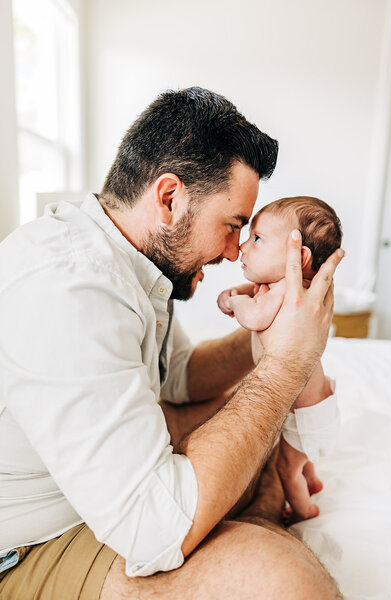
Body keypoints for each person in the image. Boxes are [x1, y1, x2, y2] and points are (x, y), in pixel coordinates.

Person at [0, 87, 344, 600]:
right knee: (284, 584)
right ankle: (260, 514)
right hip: (34, 539)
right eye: (232, 226)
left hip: (99, 494)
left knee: (245, 412)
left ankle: (255, 506)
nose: (234, 251)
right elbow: (154, 528)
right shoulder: (71, 284)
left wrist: (264, 342)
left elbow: (178, 374)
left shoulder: (134, 263)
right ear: (169, 198)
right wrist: (288, 364)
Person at [217, 196, 342, 521]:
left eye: (257, 238)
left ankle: (304, 509)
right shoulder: (287, 289)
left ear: (298, 257)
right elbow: (259, 297)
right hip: (314, 410)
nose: (244, 246)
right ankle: (312, 480)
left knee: (287, 466)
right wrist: (242, 293)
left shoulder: (285, 290)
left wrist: (233, 303)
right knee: (300, 455)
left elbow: (256, 318)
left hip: (305, 415)